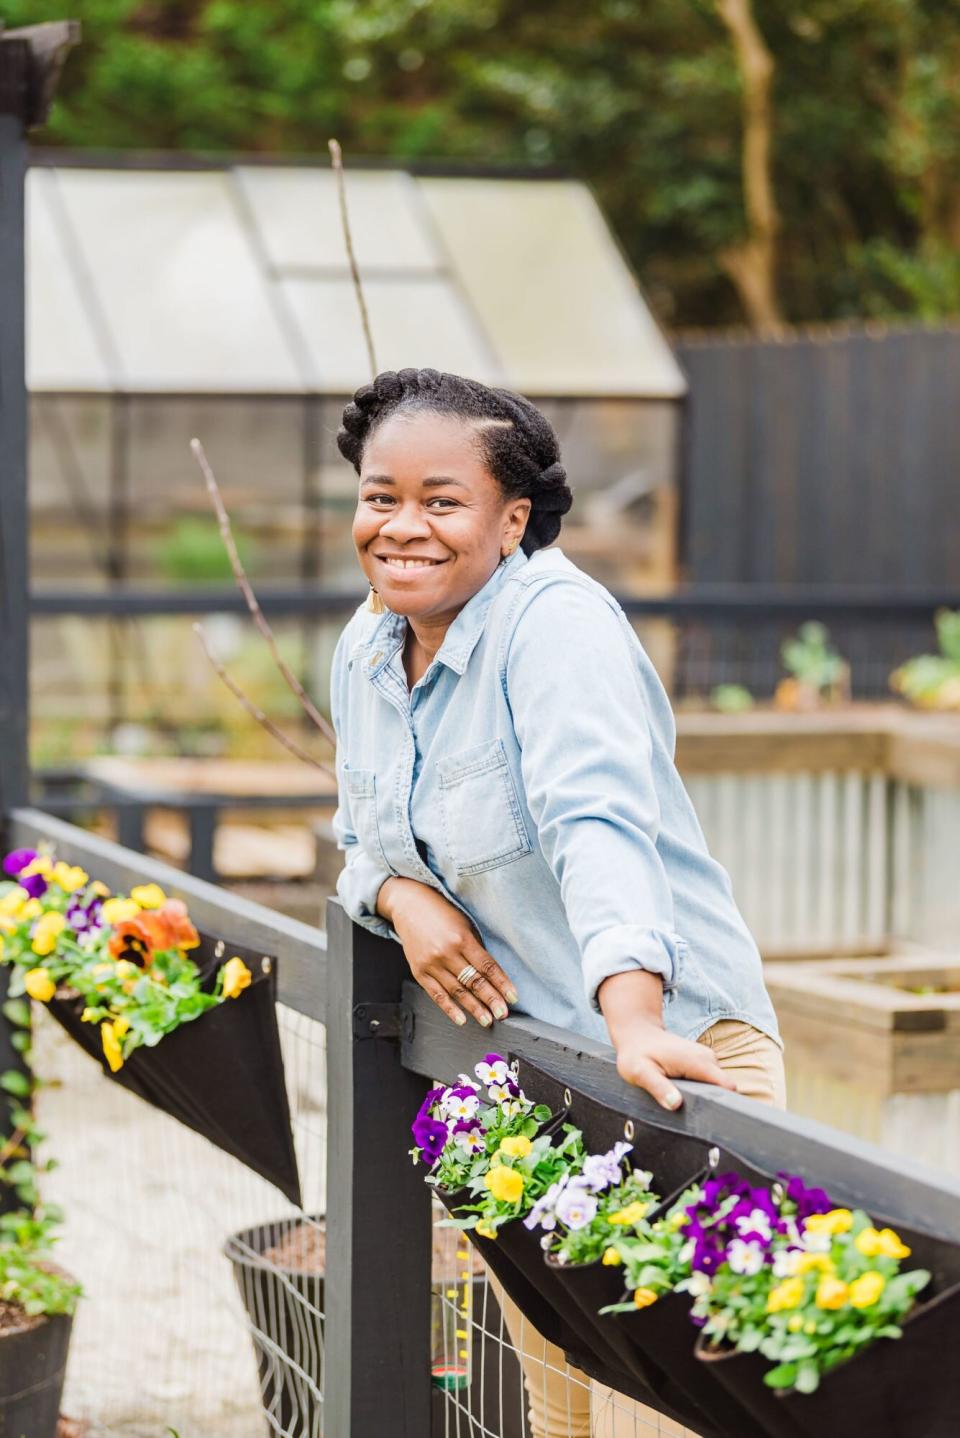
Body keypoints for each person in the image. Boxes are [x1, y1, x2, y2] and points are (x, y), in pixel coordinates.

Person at [330, 367, 785, 1437]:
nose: (402, 526)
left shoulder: (556, 629)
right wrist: (398, 891)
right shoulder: (366, 648)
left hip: (664, 1065)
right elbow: (358, 839)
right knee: (559, 1412)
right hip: (528, 1078)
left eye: (442, 500)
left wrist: (632, 1015)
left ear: (512, 516)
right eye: (378, 495)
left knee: (662, 1418)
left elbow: (599, 825)